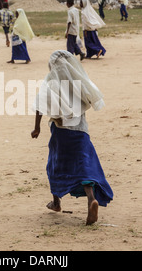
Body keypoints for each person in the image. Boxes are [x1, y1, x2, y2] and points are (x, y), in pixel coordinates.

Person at [31, 50, 113, 226]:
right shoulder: (79, 82)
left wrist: (37, 127)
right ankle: (91, 199)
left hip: (61, 134)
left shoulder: (51, 82)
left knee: (55, 166)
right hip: (81, 132)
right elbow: (93, 96)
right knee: (85, 167)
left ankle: (56, 202)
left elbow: (39, 105)